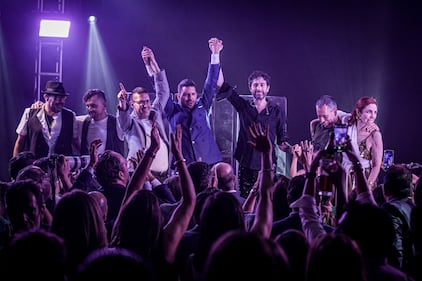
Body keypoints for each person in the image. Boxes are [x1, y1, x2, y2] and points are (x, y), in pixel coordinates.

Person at [216, 70, 289, 198]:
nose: (259, 88)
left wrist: (292, 150)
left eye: (262, 85)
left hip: (267, 164)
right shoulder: (243, 106)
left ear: (268, 88)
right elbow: (221, 85)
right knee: (246, 199)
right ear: (250, 88)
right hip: (246, 163)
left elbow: (282, 140)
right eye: (255, 85)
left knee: (266, 199)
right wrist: (216, 54)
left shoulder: (277, 111)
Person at [164, 37, 223, 168]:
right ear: (178, 95)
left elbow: (211, 83)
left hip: (208, 160)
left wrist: (215, 54)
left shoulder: (203, 105)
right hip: (184, 162)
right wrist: (150, 67)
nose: (190, 98)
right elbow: (161, 91)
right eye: (186, 95)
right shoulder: (172, 109)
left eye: (193, 94)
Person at [117, 46, 170, 181]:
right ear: (132, 104)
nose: (145, 105)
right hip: (140, 176)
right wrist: (122, 104)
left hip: (164, 175)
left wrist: (153, 62)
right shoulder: (130, 123)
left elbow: (163, 92)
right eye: (140, 102)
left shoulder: (155, 114)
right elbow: (123, 120)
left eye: (147, 101)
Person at [13, 80, 78, 159]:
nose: (61, 101)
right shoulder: (30, 113)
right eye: (57, 97)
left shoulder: (70, 116)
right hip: (36, 167)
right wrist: (15, 166)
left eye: (63, 97)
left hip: (60, 168)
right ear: (46, 97)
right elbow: (20, 142)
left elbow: (76, 143)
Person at [343, 96, 383, 191]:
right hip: (344, 176)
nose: (373, 116)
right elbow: (332, 115)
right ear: (358, 112)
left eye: (375, 112)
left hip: (364, 179)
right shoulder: (347, 125)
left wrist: (368, 186)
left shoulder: (375, 135)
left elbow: (376, 166)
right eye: (369, 111)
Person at [78, 89, 125, 156]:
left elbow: (124, 117)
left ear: (104, 104)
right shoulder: (84, 122)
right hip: (90, 166)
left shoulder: (117, 123)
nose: (90, 109)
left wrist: (122, 103)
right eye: (87, 106)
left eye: (93, 106)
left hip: (111, 166)